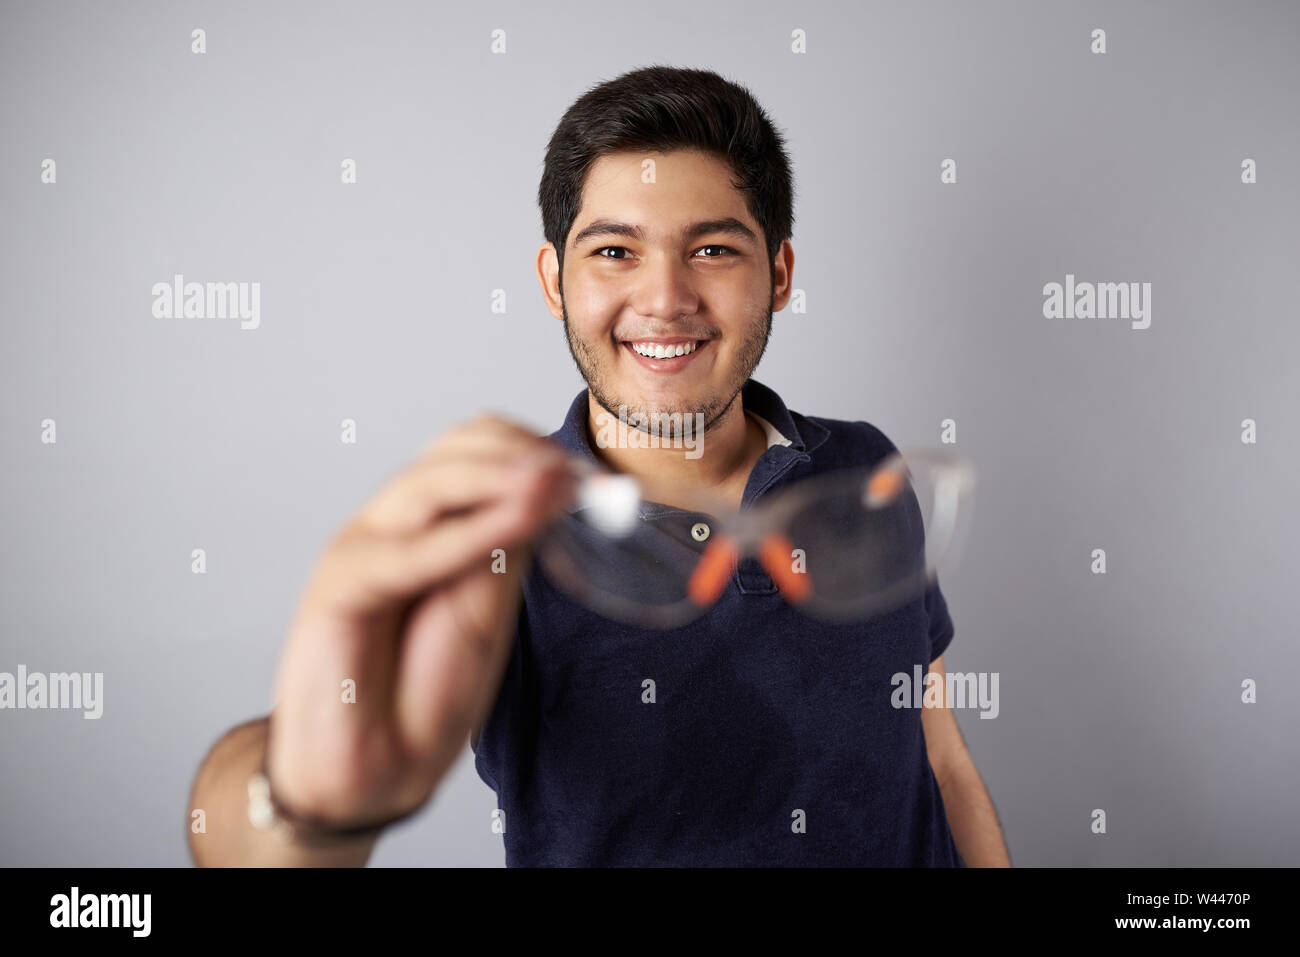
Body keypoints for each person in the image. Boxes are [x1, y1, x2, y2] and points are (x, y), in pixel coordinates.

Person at [187, 64, 1011, 867]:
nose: (665, 299)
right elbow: (253, 841)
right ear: (555, 281)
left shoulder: (866, 468)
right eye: (615, 251)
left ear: (780, 274)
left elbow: (940, 761)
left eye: (713, 249)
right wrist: (309, 801)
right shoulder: (496, 539)